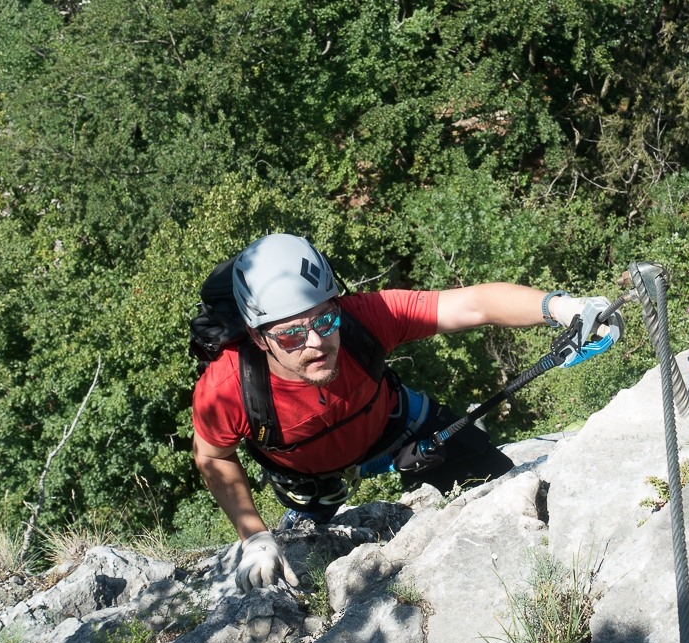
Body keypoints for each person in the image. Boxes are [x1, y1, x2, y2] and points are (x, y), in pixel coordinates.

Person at [191, 234, 609, 592]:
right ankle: (310, 508)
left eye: (325, 318)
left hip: (398, 428)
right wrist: (254, 536)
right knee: (308, 530)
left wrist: (561, 308)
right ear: (258, 338)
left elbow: (474, 305)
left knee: (507, 488)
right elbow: (212, 455)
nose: (316, 341)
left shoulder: (364, 320)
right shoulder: (228, 389)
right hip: (310, 476)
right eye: (292, 334)